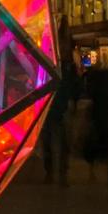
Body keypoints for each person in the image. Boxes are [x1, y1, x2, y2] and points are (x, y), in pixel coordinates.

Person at [42, 58, 78, 186]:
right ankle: (59, 174)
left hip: (52, 110)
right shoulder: (66, 68)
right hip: (57, 110)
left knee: (53, 143)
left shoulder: (56, 67)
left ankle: (52, 173)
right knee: (59, 143)